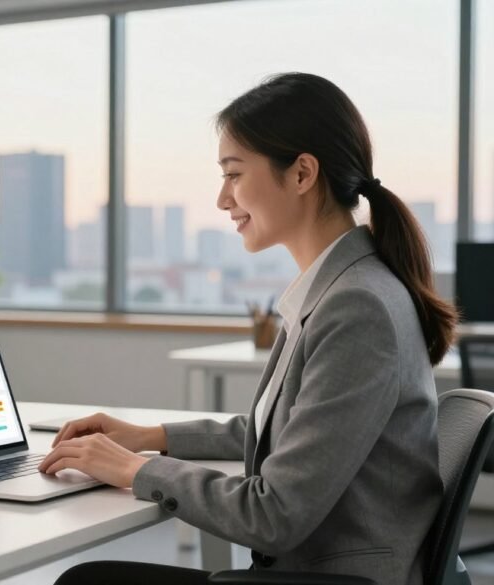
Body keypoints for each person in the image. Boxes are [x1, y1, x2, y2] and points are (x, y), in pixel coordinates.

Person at [39, 72, 458, 585]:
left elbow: (274, 514)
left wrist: (133, 469)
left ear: (302, 174)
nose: (222, 199)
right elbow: (292, 430)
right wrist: (151, 437)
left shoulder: (356, 306)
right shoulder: (343, 288)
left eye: (233, 174)